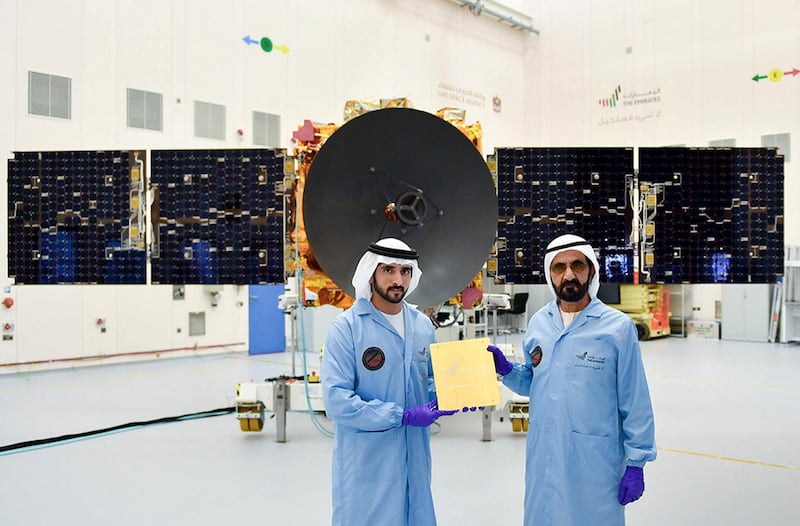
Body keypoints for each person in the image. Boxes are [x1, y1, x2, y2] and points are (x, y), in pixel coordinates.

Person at [488, 234, 656, 526]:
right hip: (545, 455)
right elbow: (535, 382)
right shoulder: (540, 323)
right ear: (549, 274)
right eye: (559, 267)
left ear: (591, 271)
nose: (568, 274)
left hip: (595, 459)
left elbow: (635, 400)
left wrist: (636, 462)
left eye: (577, 265)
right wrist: (508, 371)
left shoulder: (617, 329)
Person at [321, 237, 457, 526]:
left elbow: (429, 380)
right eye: (389, 270)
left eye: (405, 271)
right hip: (369, 463)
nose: (398, 280)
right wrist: (402, 416)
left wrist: (452, 395)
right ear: (371, 274)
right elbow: (337, 401)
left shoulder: (421, 326)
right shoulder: (347, 329)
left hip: (414, 459)